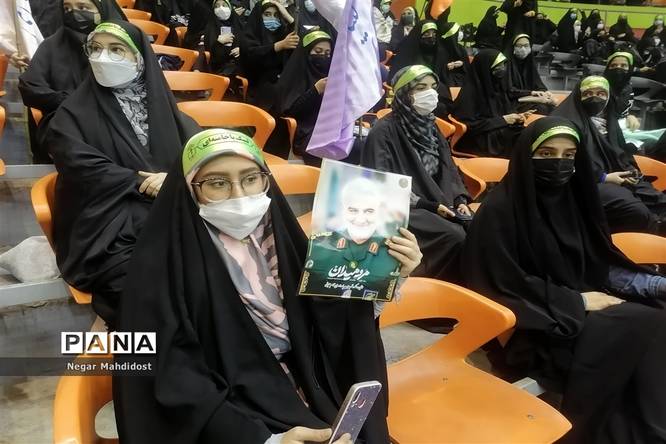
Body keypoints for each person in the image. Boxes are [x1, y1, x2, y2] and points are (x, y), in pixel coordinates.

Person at [113, 128, 423, 443]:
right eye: (217, 183)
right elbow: (163, 375)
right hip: (233, 416)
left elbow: (330, 323)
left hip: (304, 389)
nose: (239, 195)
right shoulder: (157, 268)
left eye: (251, 178)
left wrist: (388, 275)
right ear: (189, 188)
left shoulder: (282, 243)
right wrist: (265, 440)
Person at [462, 115, 666, 444]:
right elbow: (496, 286)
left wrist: (655, 284)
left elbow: (599, 262)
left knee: (654, 313)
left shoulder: (573, 201)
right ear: (526, 155)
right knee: (648, 324)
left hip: (581, 304)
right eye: (546, 154)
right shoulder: (499, 210)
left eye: (569, 155)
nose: (558, 163)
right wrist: (577, 301)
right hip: (533, 324)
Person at [45, 20, 200, 329]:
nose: (103, 58)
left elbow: (197, 155)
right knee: (145, 285)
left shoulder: (166, 110)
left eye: (116, 50)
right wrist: (140, 181)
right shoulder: (72, 113)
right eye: (96, 49)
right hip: (107, 222)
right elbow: (80, 164)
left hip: (170, 210)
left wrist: (173, 179)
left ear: (140, 59)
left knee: (206, 271)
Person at [362, 65, 470, 281]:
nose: (430, 93)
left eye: (433, 87)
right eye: (421, 88)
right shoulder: (383, 131)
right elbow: (381, 183)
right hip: (400, 207)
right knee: (454, 235)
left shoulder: (431, 125)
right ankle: (431, 285)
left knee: (473, 225)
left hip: (438, 201)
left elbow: (449, 168)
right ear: (404, 93)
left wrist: (460, 199)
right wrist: (428, 206)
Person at [552, 76, 666, 234]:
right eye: (588, 93)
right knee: (636, 210)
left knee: (657, 199)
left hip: (615, 175)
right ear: (578, 96)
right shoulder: (565, 122)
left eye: (601, 94)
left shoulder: (608, 121)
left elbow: (621, 153)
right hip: (583, 182)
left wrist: (630, 171)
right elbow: (562, 165)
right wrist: (603, 177)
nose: (594, 98)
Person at [18, 0, 125, 163]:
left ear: (102, 10)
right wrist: (72, 101)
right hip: (64, 121)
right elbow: (30, 87)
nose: (74, 13)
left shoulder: (121, 46)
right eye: (67, 8)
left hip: (115, 119)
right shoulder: (52, 45)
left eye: (83, 7)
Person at [302, 177, 405, 299]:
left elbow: (376, 304)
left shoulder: (391, 250)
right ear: (343, 210)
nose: (360, 220)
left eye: (369, 211)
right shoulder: (319, 245)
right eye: (353, 210)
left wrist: (402, 274)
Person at [452, 49, 529, 157]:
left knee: (527, 133)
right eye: (498, 66)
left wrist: (516, 118)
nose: (503, 69)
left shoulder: (497, 87)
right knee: (520, 139)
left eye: (503, 65)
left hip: (497, 130)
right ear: (485, 69)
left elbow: (503, 113)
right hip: (479, 138)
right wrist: (503, 120)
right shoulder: (470, 93)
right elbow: (469, 126)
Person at [274, 30, 332, 166]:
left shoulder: (330, 74)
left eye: (327, 53)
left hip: (329, 128)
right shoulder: (294, 75)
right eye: (318, 51)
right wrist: (315, 90)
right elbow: (291, 111)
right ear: (306, 52)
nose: (323, 57)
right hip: (305, 132)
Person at [239, 0, 297, 109]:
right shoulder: (250, 34)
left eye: (276, 15)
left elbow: (301, 42)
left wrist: (288, 17)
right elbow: (251, 55)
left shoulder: (282, 33)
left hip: (281, 82)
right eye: (267, 14)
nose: (272, 19)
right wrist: (278, 46)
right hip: (257, 85)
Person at [389, 20, 453, 118]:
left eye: (434, 34)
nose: (431, 37)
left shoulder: (439, 52)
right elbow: (398, 80)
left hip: (435, 92)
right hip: (412, 93)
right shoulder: (407, 51)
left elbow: (442, 78)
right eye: (426, 34)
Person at [183, 0, 242, 77]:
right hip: (220, 67)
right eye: (217, 6)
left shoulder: (238, 25)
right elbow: (214, 58)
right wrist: (218, 42)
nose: (221, 8)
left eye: (224, 5)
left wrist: (241, 49)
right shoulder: (211, 27)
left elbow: (247, 44)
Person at [506, 34, 555, 115]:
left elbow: (538, 84)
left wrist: (545, 92)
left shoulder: (530, 63)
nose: (523, 49)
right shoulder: (507, 65)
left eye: (526, 46)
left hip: (530, 99)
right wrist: (531, 92)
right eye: (519, 46)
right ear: (513, 47)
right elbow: (510, 90)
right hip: (514, 101)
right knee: (542, 109)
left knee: (552, 106)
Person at [437, 22, 471, 87]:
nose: (460, 33)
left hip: (462, 79)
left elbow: (468, 67)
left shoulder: (461, 48)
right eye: (458, 31)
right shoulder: (439, 50)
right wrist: (446, 67)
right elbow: (438, 70)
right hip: (446, 82)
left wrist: (462, 64)